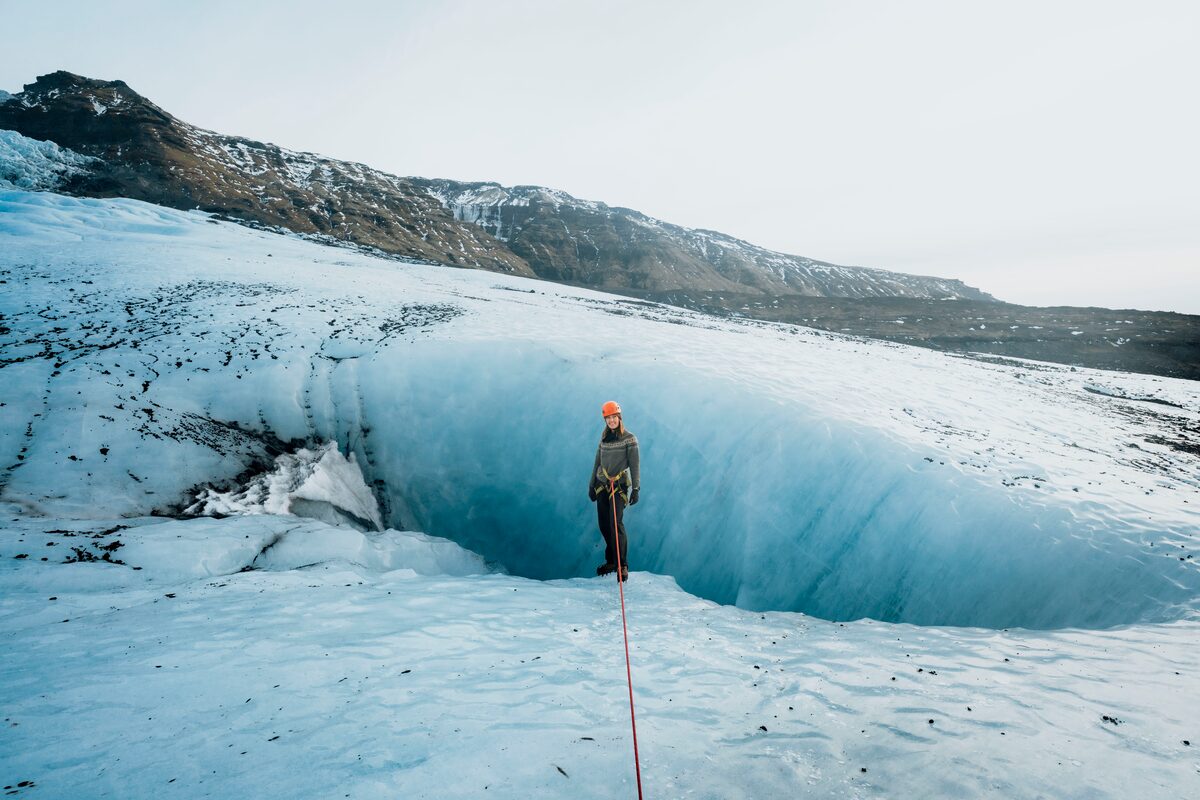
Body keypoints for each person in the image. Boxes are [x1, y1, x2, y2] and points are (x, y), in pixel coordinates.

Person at [588, 400, 640, 582]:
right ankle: (611, 561)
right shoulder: (603, 439)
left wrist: (636, 488)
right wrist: (591, 484)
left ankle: (622, 565)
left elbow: (634, 464)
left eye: (614, 417)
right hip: (602, 485)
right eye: (608, 418)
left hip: (618, 486)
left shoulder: (629, 439)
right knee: (604, 525)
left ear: (619, 418)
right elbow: (597, 462)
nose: (611, 421)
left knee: (615, 523)